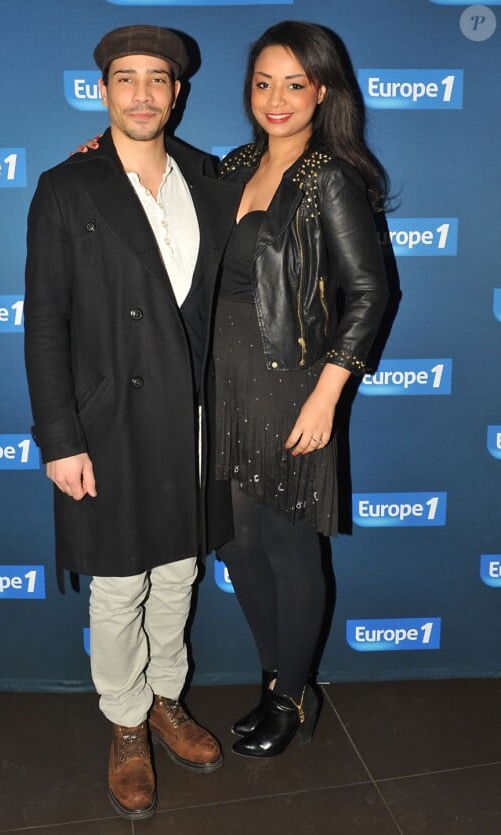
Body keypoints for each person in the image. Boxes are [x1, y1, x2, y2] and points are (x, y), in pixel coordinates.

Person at [24, 25, 241, 820]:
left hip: (195, 418)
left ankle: (164, 700)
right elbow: (45, 323)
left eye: (159, 78)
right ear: (104, 90)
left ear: (178, 92)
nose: (144, 92)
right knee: (118, 584)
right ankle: (125, 722)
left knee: (179, 573)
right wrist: (60, 437)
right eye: (127, 78)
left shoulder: (216, 177)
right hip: (108, 420)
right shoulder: (65, 187)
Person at [213, 20, 389, 758]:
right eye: (264, 82)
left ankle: (291, 694)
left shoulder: (330, 177)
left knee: (287, 545)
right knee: (237, 544)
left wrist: (327, 394)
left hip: (289, 381)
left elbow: (372, 291)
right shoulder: (230, 165)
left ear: (322, 89)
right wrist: (99, 152)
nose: (277, 98)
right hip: (218, 378)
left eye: (294, 83)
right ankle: (275, 676)